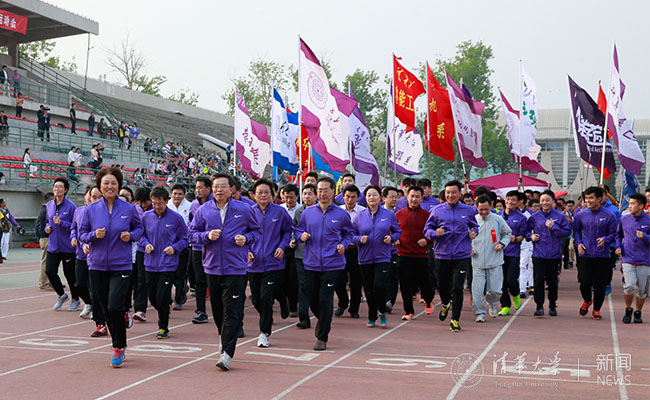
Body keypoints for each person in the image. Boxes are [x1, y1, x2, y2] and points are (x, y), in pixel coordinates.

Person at [189, 173, 261, 370]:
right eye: (216, 186)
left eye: (223, 186)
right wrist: (206, 235)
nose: (219, 190)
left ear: (231, 190)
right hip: (212, 267)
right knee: (218, 310)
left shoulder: (244, 210)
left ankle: (227, 353)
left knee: (232, 310)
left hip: (235, 268)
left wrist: (246, 239)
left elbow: (257, 231)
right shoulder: (204, 210)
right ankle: (224, 337)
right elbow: (191, 234)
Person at [79, 167, 143, 367]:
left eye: (113, 183)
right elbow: (82, 234)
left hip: (121, 265)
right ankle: (119, 342)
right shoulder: (90, 210)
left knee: (115, 305)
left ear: (119, 186)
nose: (110, 186)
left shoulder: (129, 209)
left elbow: (139, 229)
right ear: (99, 186)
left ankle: (118, 347)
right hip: (97, 265)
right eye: (106, 183)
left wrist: (130, 236)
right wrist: (93, 235)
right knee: (106, 308)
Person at [295, 176, 354, 351]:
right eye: (319, 190)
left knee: (325, 299)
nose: (322, 193)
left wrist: (343, 244)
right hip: (311, 262)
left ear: (333, 192)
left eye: (325, 190)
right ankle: (322, 319)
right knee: (312, 299)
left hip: (332, 263)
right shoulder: (308, 213)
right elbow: (298, 230)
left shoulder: (341, 214)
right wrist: (301, 236)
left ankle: (322, 337)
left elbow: (349, 233)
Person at [424, 180, 479, 332]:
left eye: (453, 192)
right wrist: (435, 233)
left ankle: (455, 319)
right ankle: (445, 303)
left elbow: (474, 226)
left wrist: (474, 232)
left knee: (457, 287)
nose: (450, 195)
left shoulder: (468, 210)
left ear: (459, 194)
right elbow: (427, 230)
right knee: (442, 286)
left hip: (461, 254)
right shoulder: (437, 210)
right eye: (448, 192)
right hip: (442, 254)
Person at [247, 179, 292, 348]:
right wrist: (247, 250)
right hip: (254, 263)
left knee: (266, 297)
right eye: (260, 192)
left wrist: (282, 246)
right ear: (254, 195)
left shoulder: (280, 212)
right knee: (256, 299)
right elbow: (242, 233)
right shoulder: (248, 212)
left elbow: (288, 231)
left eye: (267, 192)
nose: (263, 195)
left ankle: (264, 333)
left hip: (273, 262)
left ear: (273, 195)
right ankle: (282, 301)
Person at [140, 187, 188, 339]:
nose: (156, 206)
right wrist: (145, 244)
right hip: (150, 263)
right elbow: (140, 235)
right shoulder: (146, 217)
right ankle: (165, 306)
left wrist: (174, 248)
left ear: (167, 201)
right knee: (153, 298)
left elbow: (185, 239)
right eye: (154, 203)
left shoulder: (176, 218)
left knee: (161, 297)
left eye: (160, 203)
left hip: (168, 264)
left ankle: (163, 327)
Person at [352, 185, 401, 328]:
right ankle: (372, 315)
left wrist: (391, 238)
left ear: (380, 197)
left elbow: (398, 232)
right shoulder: (359, 216)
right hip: (364, 257)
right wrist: (358, 239)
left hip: (383, 256)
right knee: (368, 289)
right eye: (369, 195)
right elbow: (351, 235)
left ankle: (382, 311)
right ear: (365, 198)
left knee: (379, 286)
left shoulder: (389, 215)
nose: (371, 198)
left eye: (374, 195)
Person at [573, 186, 617, 320]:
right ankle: (587, 300)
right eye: (586, 198)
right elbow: (576, 232)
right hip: (585, 254)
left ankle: (596, 309)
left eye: (591, 198)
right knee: (584, 282)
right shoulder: (581, 215)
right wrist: (579, 243)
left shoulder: (609, 215)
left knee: (600, 285)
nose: (588, 200)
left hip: (602, 255)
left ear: (600, 198)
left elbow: (614, 234)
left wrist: (605, 239)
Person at [526, 190, 572, 317]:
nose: (544, 203)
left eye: (547, 200)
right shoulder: (535, 217)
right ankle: (539, 306)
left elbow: (567, 232)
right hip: (538, 254)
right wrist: (531, 236)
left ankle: (552, 304)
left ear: (553, 201)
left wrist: (554, 227)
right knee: (539, 280)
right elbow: (526, 232)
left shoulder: (559, 216)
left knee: (552, 281)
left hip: (553, 254)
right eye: (542, 200)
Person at [395, 186, 434, 320]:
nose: (414, 199)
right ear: (407, 197)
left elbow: (432, 233)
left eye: (417, 196)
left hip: (421, 254)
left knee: (425, 283)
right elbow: (393, 231)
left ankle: (428, 300)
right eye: (412, 196)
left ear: (422, 198)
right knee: (405, 284)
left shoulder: (427, 215)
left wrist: (427, 240)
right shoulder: (399, 214)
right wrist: (395, 240)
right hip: (403, 254)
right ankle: (409, 311)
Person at [471, 196, 512, 322]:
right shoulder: (472, 220)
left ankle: (492, 304)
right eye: (481, 209)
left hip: (495, 260)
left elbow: (507, 233)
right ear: (476, 207)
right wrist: (469, 248)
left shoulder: (498, 219)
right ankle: (479, 314)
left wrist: (502, 244)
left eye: (486, 209)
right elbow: (464, 237)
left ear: (491, 206)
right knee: (477, 291)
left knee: (495, 290)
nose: (483, 212)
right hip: (477, 261)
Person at [44, 177, 79, 311]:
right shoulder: (49, 205)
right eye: (55, 186)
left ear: (65, 190)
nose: (57, 189)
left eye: (60, 187)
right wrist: (47, 228)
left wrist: (62, 223)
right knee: (49, 271)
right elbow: (47, 221)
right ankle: (61, 295)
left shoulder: (71, 207)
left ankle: (75, 299)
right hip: (53, 245)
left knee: (70, 275)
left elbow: (75, 226)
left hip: (68, 246)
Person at [616, 193, 650, 324]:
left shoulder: (648, 220)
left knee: (642, 290)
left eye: (632, 204)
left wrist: (645, 236)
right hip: (628, 258)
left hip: (644, 261)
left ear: (641, 206)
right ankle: (628, 309)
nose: (630, 206)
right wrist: (618, 247)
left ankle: (638, 312)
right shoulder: (624, 219)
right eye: (629, 204)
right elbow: (618, 235)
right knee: (629, 286)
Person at [335, 184, 365, 319]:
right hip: (340, 250)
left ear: (358, 198)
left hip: (357, 250)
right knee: (338, 280)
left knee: (356, 282)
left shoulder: (363, 212)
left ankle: (354, 309)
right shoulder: (337, 211)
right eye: (347, 196)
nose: (350, 199)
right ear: (343, 197)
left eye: (353, 197)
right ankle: (342, 303)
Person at [70, 186, 99, 320]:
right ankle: (88, 303)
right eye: (91, 196)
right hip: (81, 254)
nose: (92, 199)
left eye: (97, 197)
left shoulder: (101, 214)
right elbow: (74, 228)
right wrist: (73, 237)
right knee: (79, 284)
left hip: (96, 255)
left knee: (94, 286)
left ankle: (97, 309)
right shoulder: (79, 211)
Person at [496, 191, 528, 316]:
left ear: (519, 202)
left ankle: (515, 294)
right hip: (498, 253)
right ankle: (505, 306)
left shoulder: (522, 218)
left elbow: (522, 236)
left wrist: (514, 238)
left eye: (513, 200)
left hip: (513, 253)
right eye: (508, 199)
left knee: (510, 280)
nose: (509, 202)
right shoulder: (497, 216)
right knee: (501, 281)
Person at [291, 184, 317, 329]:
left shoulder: (321, 211)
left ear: (316, 196)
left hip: (317, 254)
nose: (307, 196)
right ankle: (304, 317)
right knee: (303, 285)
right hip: (301, 254)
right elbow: (294, 229)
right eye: (305, 193)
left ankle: (319, 311)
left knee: (314, 287)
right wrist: (295, 238)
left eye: (310, 194)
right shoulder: (299, 212)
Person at [188, 176, 213, 324]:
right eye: (196, 187)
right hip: (197, 247)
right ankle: (201, 310)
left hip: (213, 247)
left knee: (213, 279)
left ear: (208, 189)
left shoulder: (215, 203)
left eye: (200, 187)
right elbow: (191, 225)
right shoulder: (193, 205)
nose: (198, 190)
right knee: (199, 279)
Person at [129, 187, 152, 324]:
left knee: (151, 280)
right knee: (140, 278)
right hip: (140, 249)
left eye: (146, 202)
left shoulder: (156, 210)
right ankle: (140, 309)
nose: (144, 205)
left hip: (156, 250)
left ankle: (165, 300)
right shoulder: (135, 210)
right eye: (141, 202)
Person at [167, 184, 192, 310]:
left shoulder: (190, 207)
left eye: (180, 194)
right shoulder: (167, 206)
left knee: (181, 273)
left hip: (184, 245)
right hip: (169, 245)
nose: (177, 196)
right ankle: (179, 292)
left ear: (184, 195)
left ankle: (178, 300)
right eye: (175, 194)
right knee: (169, 274)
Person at [280, 184, 300, 317]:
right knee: (282, 277)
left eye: (291, 197)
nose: (289, 200)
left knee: (293, 278)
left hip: (296, 248)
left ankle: (293, 305)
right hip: (282, 248)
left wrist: (295, 240)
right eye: (286, 197)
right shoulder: (280, 209)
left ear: (297, 197)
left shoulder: (301, 210)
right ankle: (285, 301)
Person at [381, 186, 400, 313]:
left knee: (393, 276)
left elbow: (401, 230)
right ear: (384, 198)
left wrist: (396, 238)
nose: (394, 199)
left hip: (394, 250)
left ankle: (389, 301)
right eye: (391, 197)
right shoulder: (377, 211)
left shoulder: (400, 212)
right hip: (379, 251)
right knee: (381, 277)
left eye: (396, 197)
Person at [36, 192, 54, 290]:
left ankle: (50, 281)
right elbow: (42, 225)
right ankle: (43, 283)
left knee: (50, 261)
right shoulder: (46, 210)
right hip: (46, 237)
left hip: (45, 237)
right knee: (46, 261)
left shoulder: (45, 209)